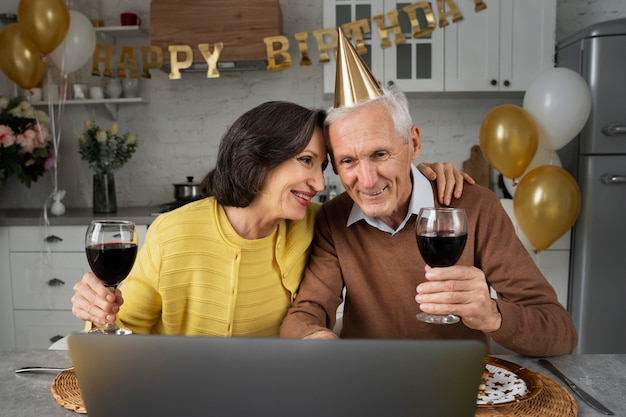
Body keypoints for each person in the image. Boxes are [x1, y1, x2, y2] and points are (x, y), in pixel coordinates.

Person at [279, 30, 578, 357]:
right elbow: (305, 315)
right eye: (348, 161)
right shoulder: (333, 219)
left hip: (458, 388)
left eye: (380, 154)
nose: (366, 180)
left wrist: (493, 314)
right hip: (368, 383)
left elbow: (560, 332)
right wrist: (314, 340)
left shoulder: (475, 207)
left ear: (414, 144)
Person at [71, 100, 469, 336]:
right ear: (258, 159)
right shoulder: (171, 232)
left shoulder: (318, 222)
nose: (318, 182)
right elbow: (120, 330)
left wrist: (423, 171)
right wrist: (99, 309)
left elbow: (381, 190)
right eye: (306, 162)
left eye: (323, 166)